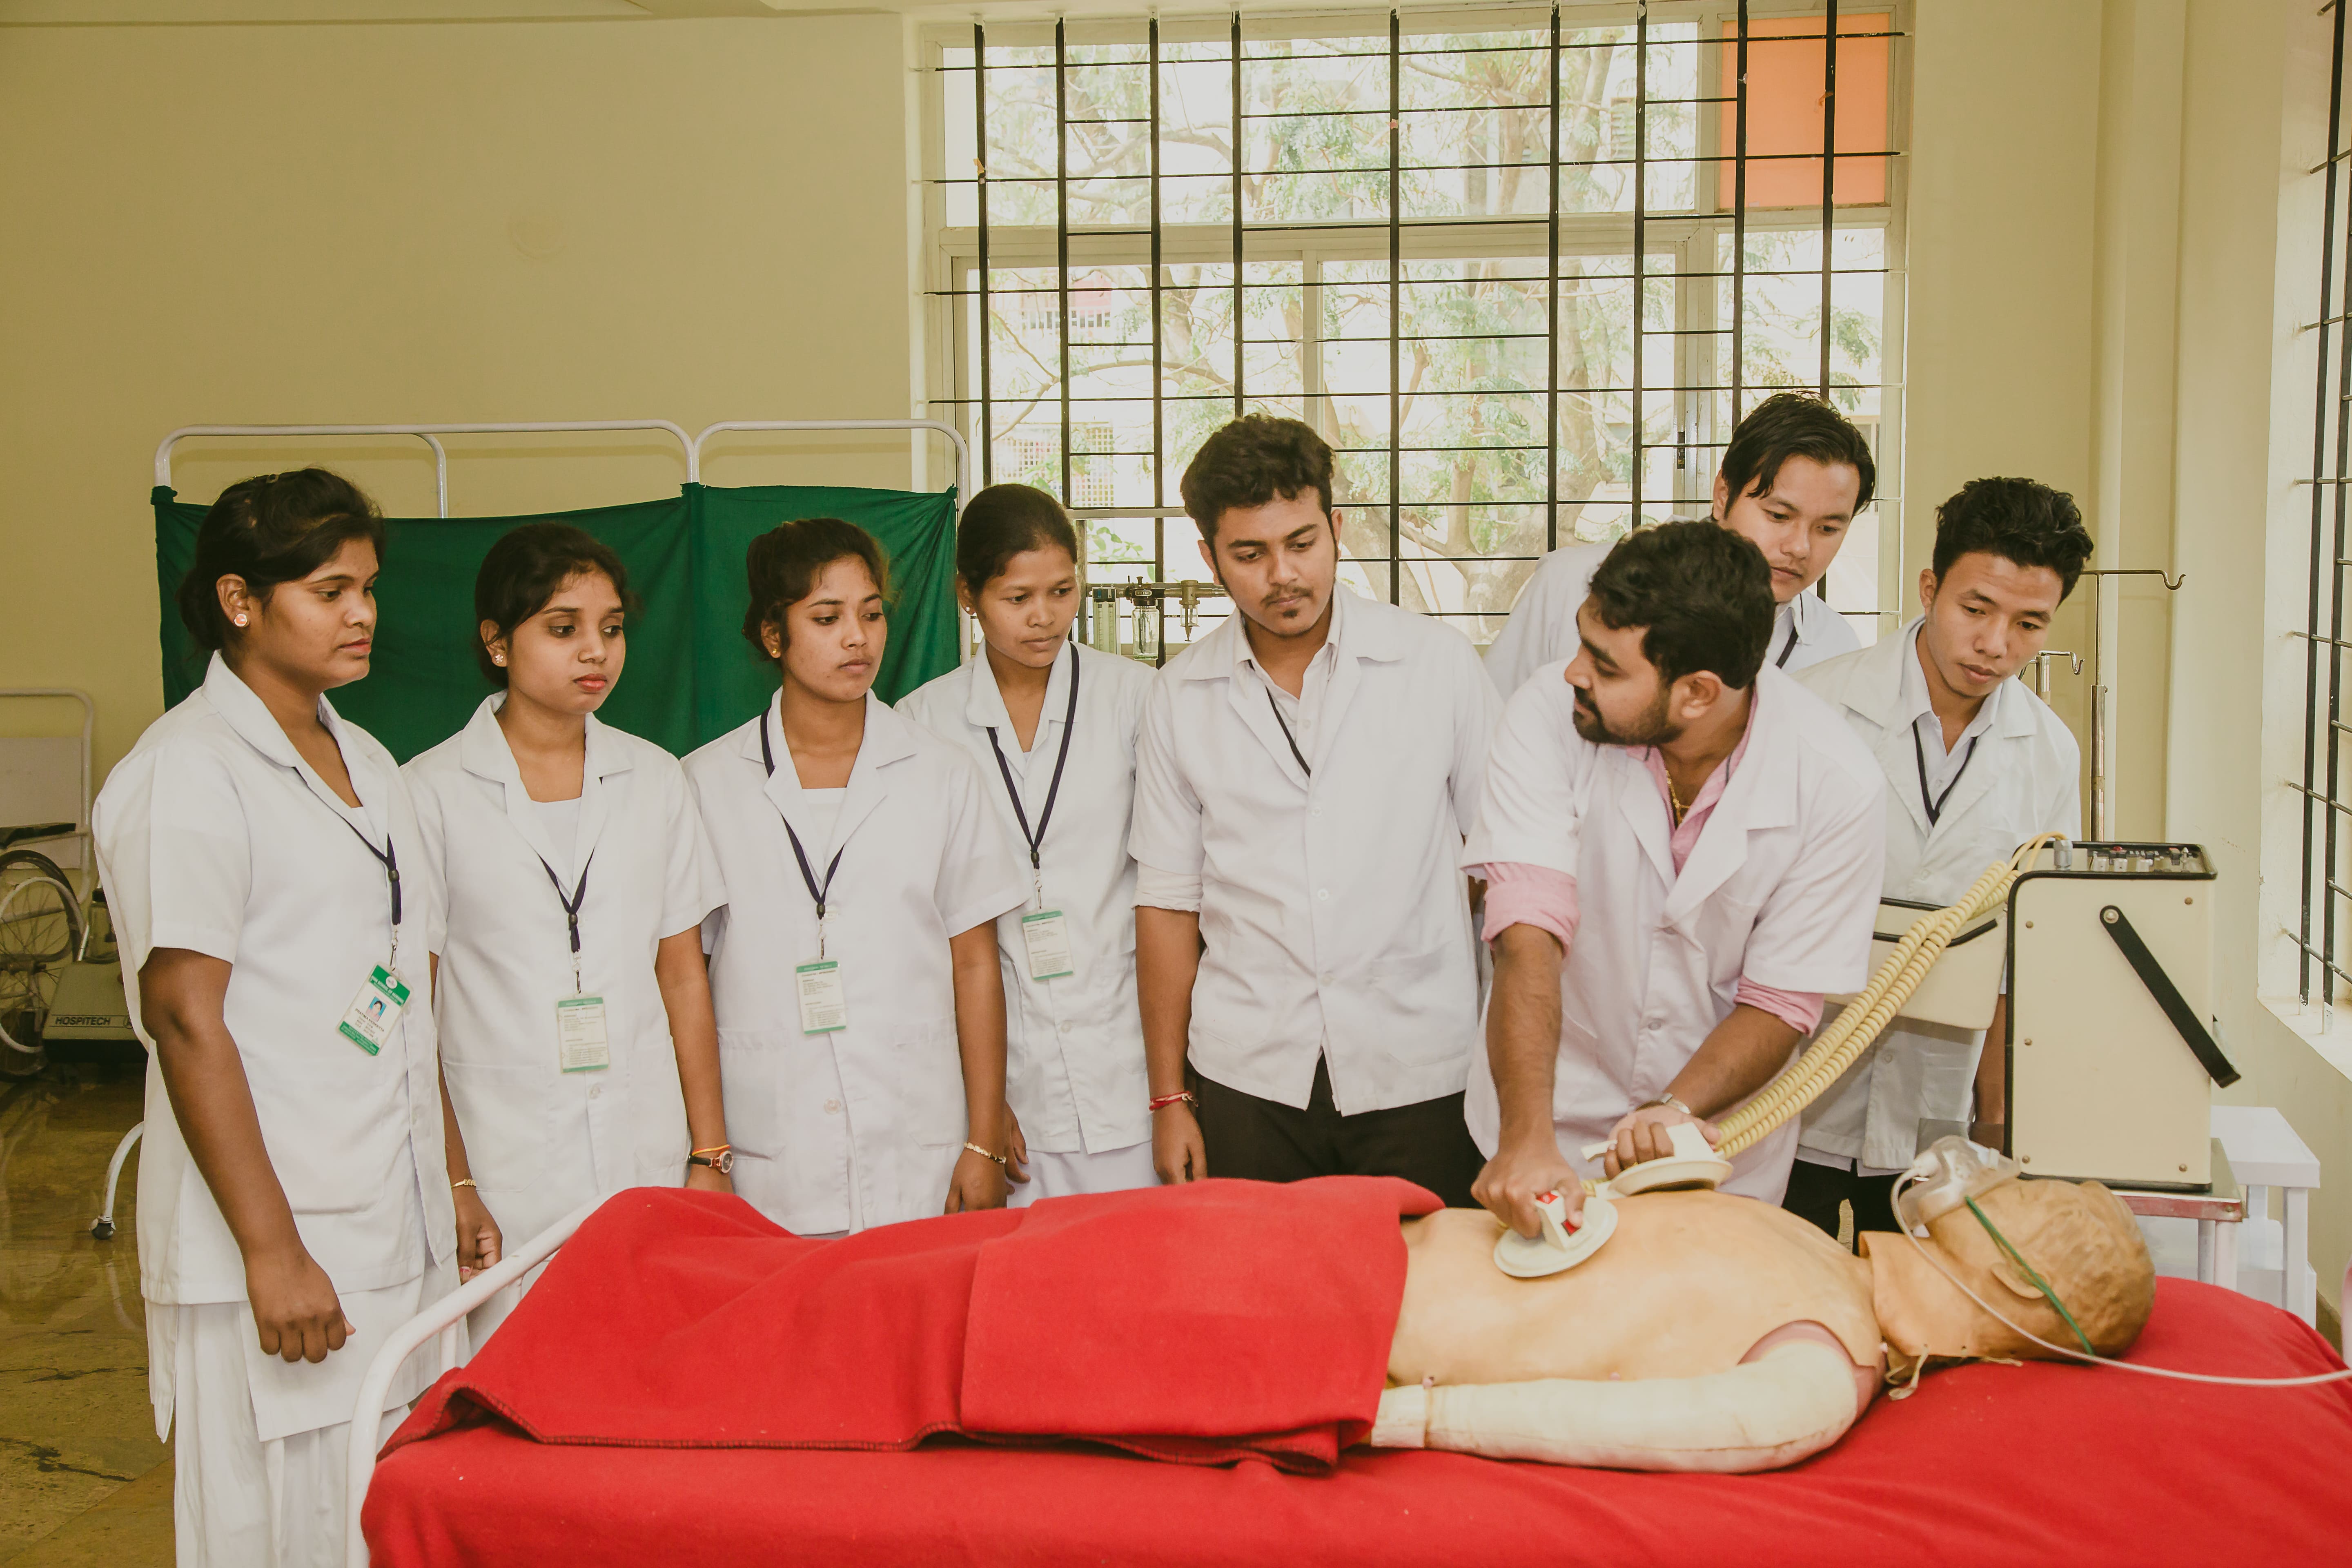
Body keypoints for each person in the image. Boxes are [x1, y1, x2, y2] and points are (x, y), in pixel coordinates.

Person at [92, 469, 477, 1566]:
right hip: (274, 1242)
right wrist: (273, 1252)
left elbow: (403, 995)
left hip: (385, 1216)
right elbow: (183, 1019)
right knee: (278, 1534)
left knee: (377, 1516)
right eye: (328, 588)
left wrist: (450, 1182)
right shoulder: (189, 774)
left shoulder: (366, 760)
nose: (361, 613)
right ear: (239, 600)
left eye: (367, 587)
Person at [1466, 519, 1886, 1238]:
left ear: (1696, 694)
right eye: (1582, 644)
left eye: (1607, 665)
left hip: (1715, 1157)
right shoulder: (1547, 712)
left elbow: (1781, 1001)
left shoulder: (1837, 784)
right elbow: (1526, 930)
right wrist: (1528, 1137)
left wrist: (1677, 1109)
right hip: (1543, 1126)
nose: (1574, 672)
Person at [1131, 414, 1502, 1205]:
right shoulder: (1179, 695)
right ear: (1209, 558)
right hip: (1248, 1076)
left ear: (1336, 528)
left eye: (1302, 543)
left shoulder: (1434, 667)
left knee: (1429, 1309)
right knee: (1265, 1312)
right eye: (1250, 554)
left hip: (1420, 1067)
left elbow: (1502, 866)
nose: (1283, 574)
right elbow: (1167, 905)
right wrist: (1171, 1098)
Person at [404, 523, 731, 1334]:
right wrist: (454, 1180)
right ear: (496, 643)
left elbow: (684, 974)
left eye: (611, 628)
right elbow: (418, 1011)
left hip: (644, 1149)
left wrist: (710, 1154)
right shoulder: (427, 794)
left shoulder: (655, 779)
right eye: (564, 629)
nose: (596, 652)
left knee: (649, 1375)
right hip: (505, 1166)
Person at [684, 517, 1027, 1234]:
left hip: (921, 1146)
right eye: (827, 617)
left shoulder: (941, 774)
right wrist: (709, 1152)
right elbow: (688, 977)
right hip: (771, 1152)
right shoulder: (705, 785)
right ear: (773, 636)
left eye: (871, 614)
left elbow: (975, 964)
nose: (858, 638)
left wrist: (984, 1139)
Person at [1782, 478, 2092, 1245]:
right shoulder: (1808, 707)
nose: (1996, 645)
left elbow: (2026, 954)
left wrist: (1995, 1118)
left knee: (1923, 1321)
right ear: (1930, 589)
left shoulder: (2049, 752)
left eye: (2030, 624)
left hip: (1936, 1112)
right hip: (1794, 1082)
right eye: (1976, 609)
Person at [898, 486, 1158, 1205]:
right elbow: (920, 932)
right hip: (1005, 1083)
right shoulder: (921, 723)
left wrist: (1176, 1087)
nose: (1045, 617)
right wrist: (980, 1110)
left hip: (1127, 1060)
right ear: (967, 596)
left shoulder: (1137, 699)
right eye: (1017, 598)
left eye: (1062, 591)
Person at [1484, 391, 1875, 696]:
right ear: (1723, 494)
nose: (1800, 548)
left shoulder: (1836, 647)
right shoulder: (1570, 584)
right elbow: (1489, 737)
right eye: (1779, 516)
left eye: (1827, 529)